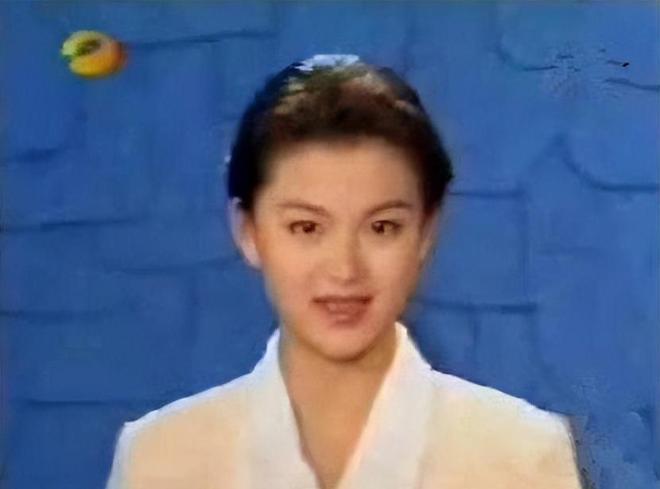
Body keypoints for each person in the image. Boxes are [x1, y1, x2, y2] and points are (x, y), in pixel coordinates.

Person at [105, 54, 584, 489]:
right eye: (307, 227)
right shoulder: (159, 458)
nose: (344, 269)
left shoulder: (523, 454)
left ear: (426, 231)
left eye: (381, 227)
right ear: (248, 230)